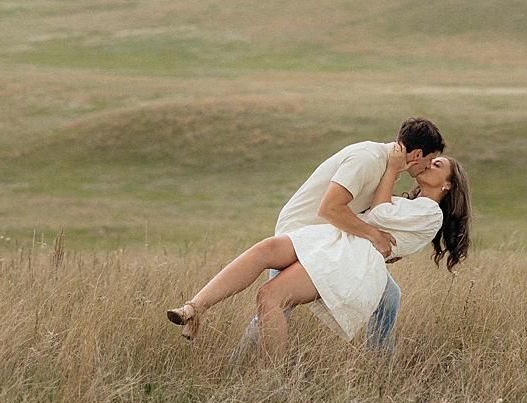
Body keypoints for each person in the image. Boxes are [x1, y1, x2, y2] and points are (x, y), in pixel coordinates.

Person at [167, 142, 470, 355]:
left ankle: (273, 383)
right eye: (430, 159)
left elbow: (378, 215)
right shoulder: (412, 204)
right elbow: (378, 218)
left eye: (437, 165)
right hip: (336, 240)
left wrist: (391, 170)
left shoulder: (431, 214)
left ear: (448, 185)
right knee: (265, 250)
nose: (430, 165)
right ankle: (194, 307)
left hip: (350, 257)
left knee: (270, 296)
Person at [234, 117, 445, 359]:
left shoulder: (390, 170)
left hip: (332, 239)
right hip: (303, 232)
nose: (428, 167)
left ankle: (379, 369)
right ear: (417, 154)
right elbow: (330, 210)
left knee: (389, 297)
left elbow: (370, 214)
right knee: (278, 301)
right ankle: (239, 363)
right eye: (429, 161)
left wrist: (385, 245)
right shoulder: (369, 158)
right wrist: (375, 236)